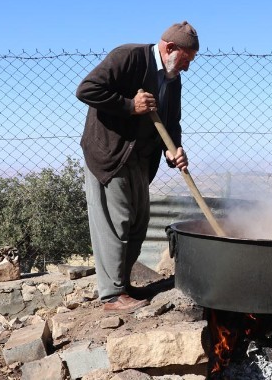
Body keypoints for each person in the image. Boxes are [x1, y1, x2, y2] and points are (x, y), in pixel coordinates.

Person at [76, 21, 199, 311]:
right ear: (170, 48)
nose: (187, 68)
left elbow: (171, 123)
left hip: (142, 159)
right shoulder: (129, 57)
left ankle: (123, 285)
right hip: (111, 153)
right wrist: (130, 106)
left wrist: (175, 149)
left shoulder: (172, 79)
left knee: (138, 223)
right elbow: (87, 90)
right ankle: (111, 295)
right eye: (186, 59)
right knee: (116, 221)